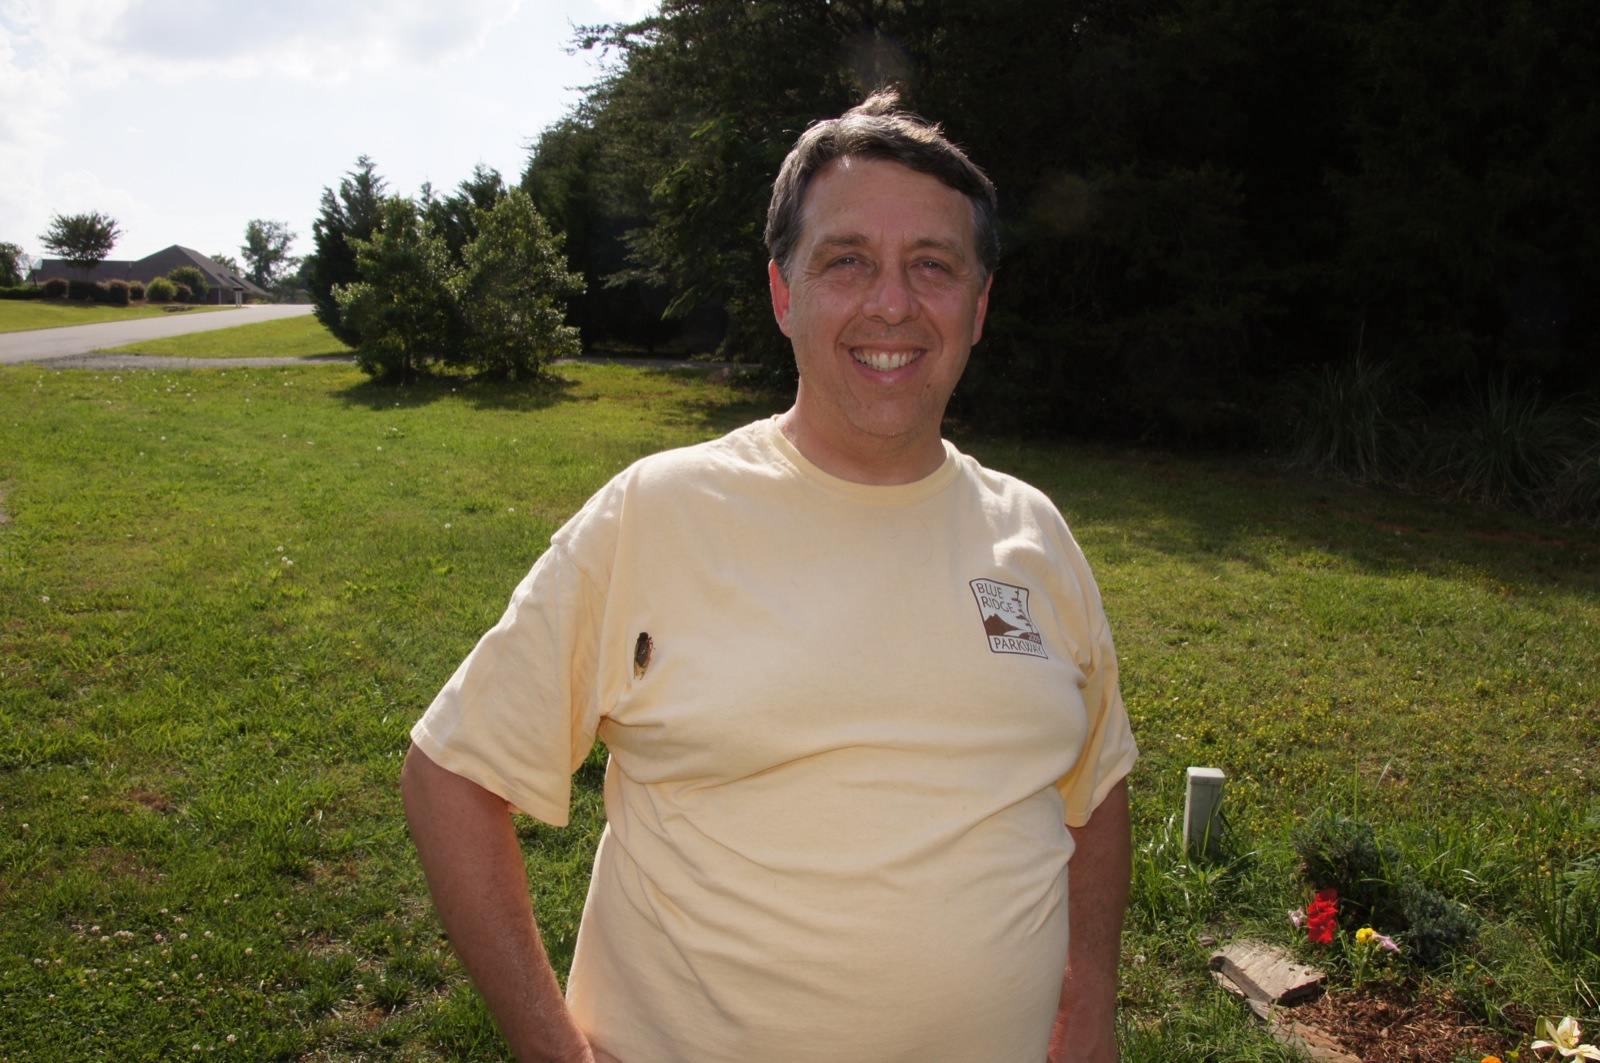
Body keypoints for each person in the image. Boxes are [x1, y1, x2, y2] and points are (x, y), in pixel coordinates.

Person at [402, 91, 1138, 1063]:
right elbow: (451, 774)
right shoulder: (658, 513)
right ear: (783, 293)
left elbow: (1096, 787)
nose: (892, 303)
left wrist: (1091, 997)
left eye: (932, 265)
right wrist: (554, 1050)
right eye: (847, 260)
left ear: (979, 304)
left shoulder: (1034, 533)